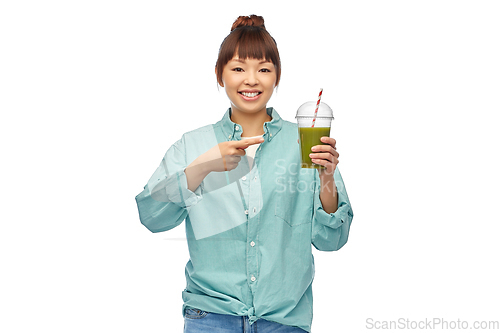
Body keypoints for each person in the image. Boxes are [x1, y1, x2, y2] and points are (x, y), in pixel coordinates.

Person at [135, 14, 353, 333]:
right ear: (219, 75)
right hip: (209, 317)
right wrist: (203, 166)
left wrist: (327, 180)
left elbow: (331, 240)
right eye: (238, 68)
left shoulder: (306, 144)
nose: (251, 80)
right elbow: (152, 216)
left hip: (283, 321)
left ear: (277, 77)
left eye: (263, 69)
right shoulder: (192, 144)